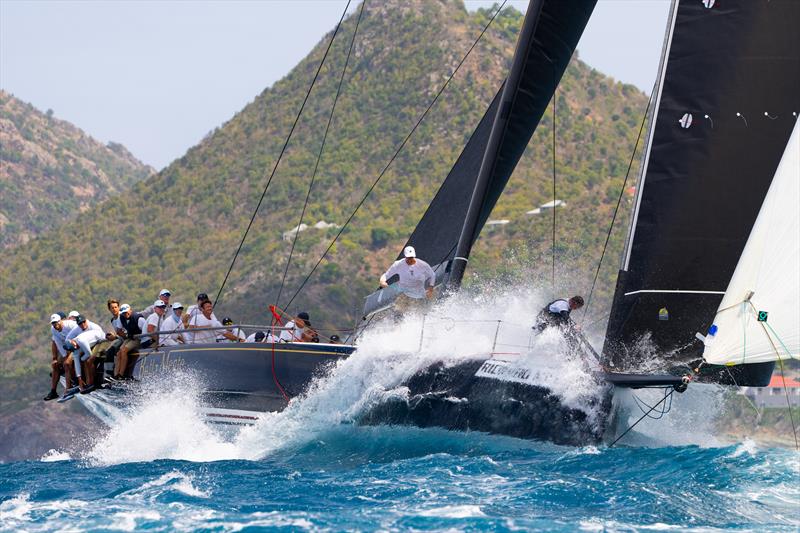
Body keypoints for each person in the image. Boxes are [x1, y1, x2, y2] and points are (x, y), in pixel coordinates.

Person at [65, 315, 106, 392]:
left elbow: (89, 354)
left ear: (73, 342)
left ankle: (92, 383)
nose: (76, 348)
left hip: (102, 341)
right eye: (74, 348)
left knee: (87, 361)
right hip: (92, 343)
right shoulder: (74, 347)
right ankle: (84, 383)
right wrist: (79, 378)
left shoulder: (80, 341)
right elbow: (77, 363)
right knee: (81, 360)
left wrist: (82, 358)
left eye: (84, 322)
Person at [43, 314, 78, 401]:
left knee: (66, 363)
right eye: (53, 323)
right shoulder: (53, 329)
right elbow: (57, 343)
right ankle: (53, 391)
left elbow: (80, 334)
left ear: (61, 321)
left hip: (79, 345)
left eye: (56, 323)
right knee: (55, 365)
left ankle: (68, 389)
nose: (55, 325)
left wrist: (68, 357)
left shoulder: (70, 325)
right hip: (69, 348)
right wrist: (61, 357)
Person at [115, 303, 147, 379]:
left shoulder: (139, 319)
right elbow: (118, 331)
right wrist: (126, 336)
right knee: (119, 353)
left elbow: (146, 332)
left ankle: (121, 375)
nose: (126, 314)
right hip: (130, 337)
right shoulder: (121, 318)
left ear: (130, 310)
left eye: (127, 312)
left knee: (124, 350)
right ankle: (116, 375)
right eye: (124, 313)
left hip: (139, 338)